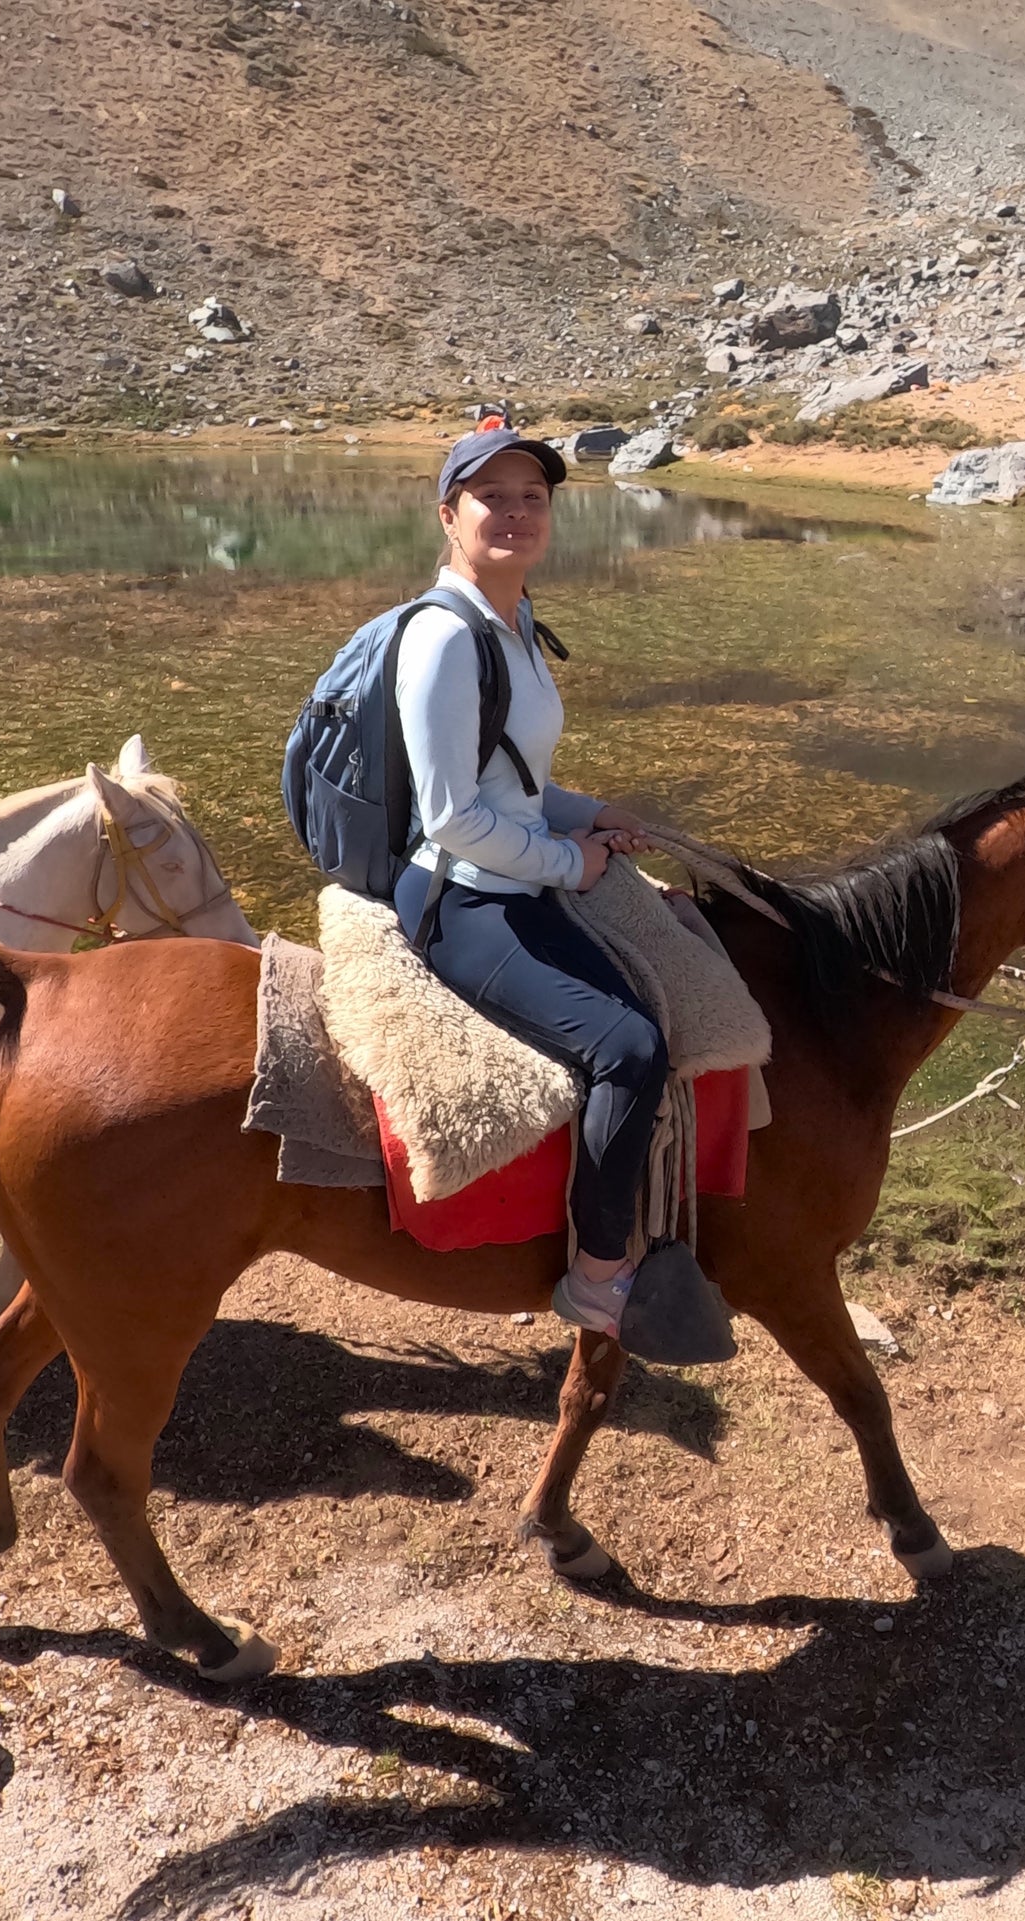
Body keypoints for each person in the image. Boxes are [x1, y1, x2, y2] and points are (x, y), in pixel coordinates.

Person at [392, 420, 663, 1338]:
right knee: (626, 1047)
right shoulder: (443, 640)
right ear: (448, 512)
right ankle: (595, 1274)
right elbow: (452, 817)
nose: (514, 512)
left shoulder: (512, 622)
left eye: (531, 498)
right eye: (491, 496)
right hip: (461, 899)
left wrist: (587, 813)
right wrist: (571, 862)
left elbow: (515, 785)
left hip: (508, 874)